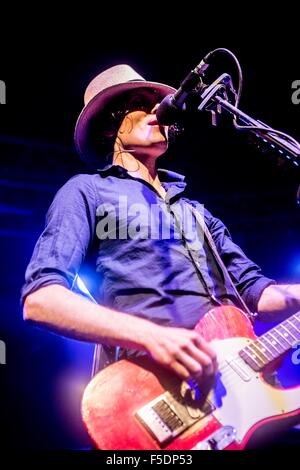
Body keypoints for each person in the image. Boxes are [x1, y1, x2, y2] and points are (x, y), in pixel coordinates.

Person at [21, 64, 300, 385]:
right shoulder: (87, 191)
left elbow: (256, 294)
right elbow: (40, 300)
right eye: (139, 103)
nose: (157, 110)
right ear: (109, 127)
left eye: (156, 103)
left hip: (238, 380)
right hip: (152, 385)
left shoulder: (196, 212)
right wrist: (152, 336)